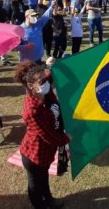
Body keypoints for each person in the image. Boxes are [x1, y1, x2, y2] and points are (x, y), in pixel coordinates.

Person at [14, 61, 69, 209]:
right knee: (35, 185)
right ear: (30, 86)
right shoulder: (32, 110)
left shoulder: (43, 90)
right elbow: (49, 136)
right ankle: (40, 205)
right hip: (34, 155)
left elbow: (50, 75)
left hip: (45, 152)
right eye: (42, 81)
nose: (46, 83)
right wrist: (66, 138)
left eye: (45, 79)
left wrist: (53, 65)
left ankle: (49, 200)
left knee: (44, 178)